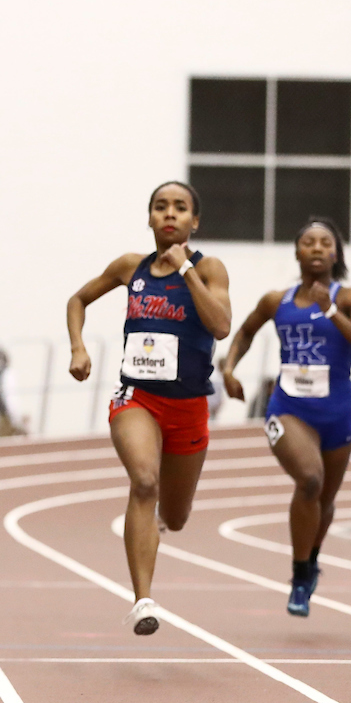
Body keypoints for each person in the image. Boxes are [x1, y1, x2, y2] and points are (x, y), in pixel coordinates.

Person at [67, 181, 231, 635]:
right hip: (136, 397)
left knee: (175, 516)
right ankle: (142, 600)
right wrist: (78, 348)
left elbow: (220, 325)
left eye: (180, 208)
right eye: (161, 207)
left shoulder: (210, 267)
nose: (170, 214)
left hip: (189, 406)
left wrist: (186, 273)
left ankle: (156, 521)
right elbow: (77, 300)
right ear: (150, 218)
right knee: (144, 480)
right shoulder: (129, 267)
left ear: (194, 221)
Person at [222, 217, 351, 617]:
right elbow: (244, 331)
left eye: (324, 242)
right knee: (309, 479)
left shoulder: (350, 298)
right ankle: (298, 574)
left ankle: (310, 564)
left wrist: (332, 314)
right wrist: (228, 368)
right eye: (307, 242)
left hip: (337, 414)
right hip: (289, 408)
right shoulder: (277, 300)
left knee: (325, 498)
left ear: (335, 253)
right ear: (296, 252)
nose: (315, 248)